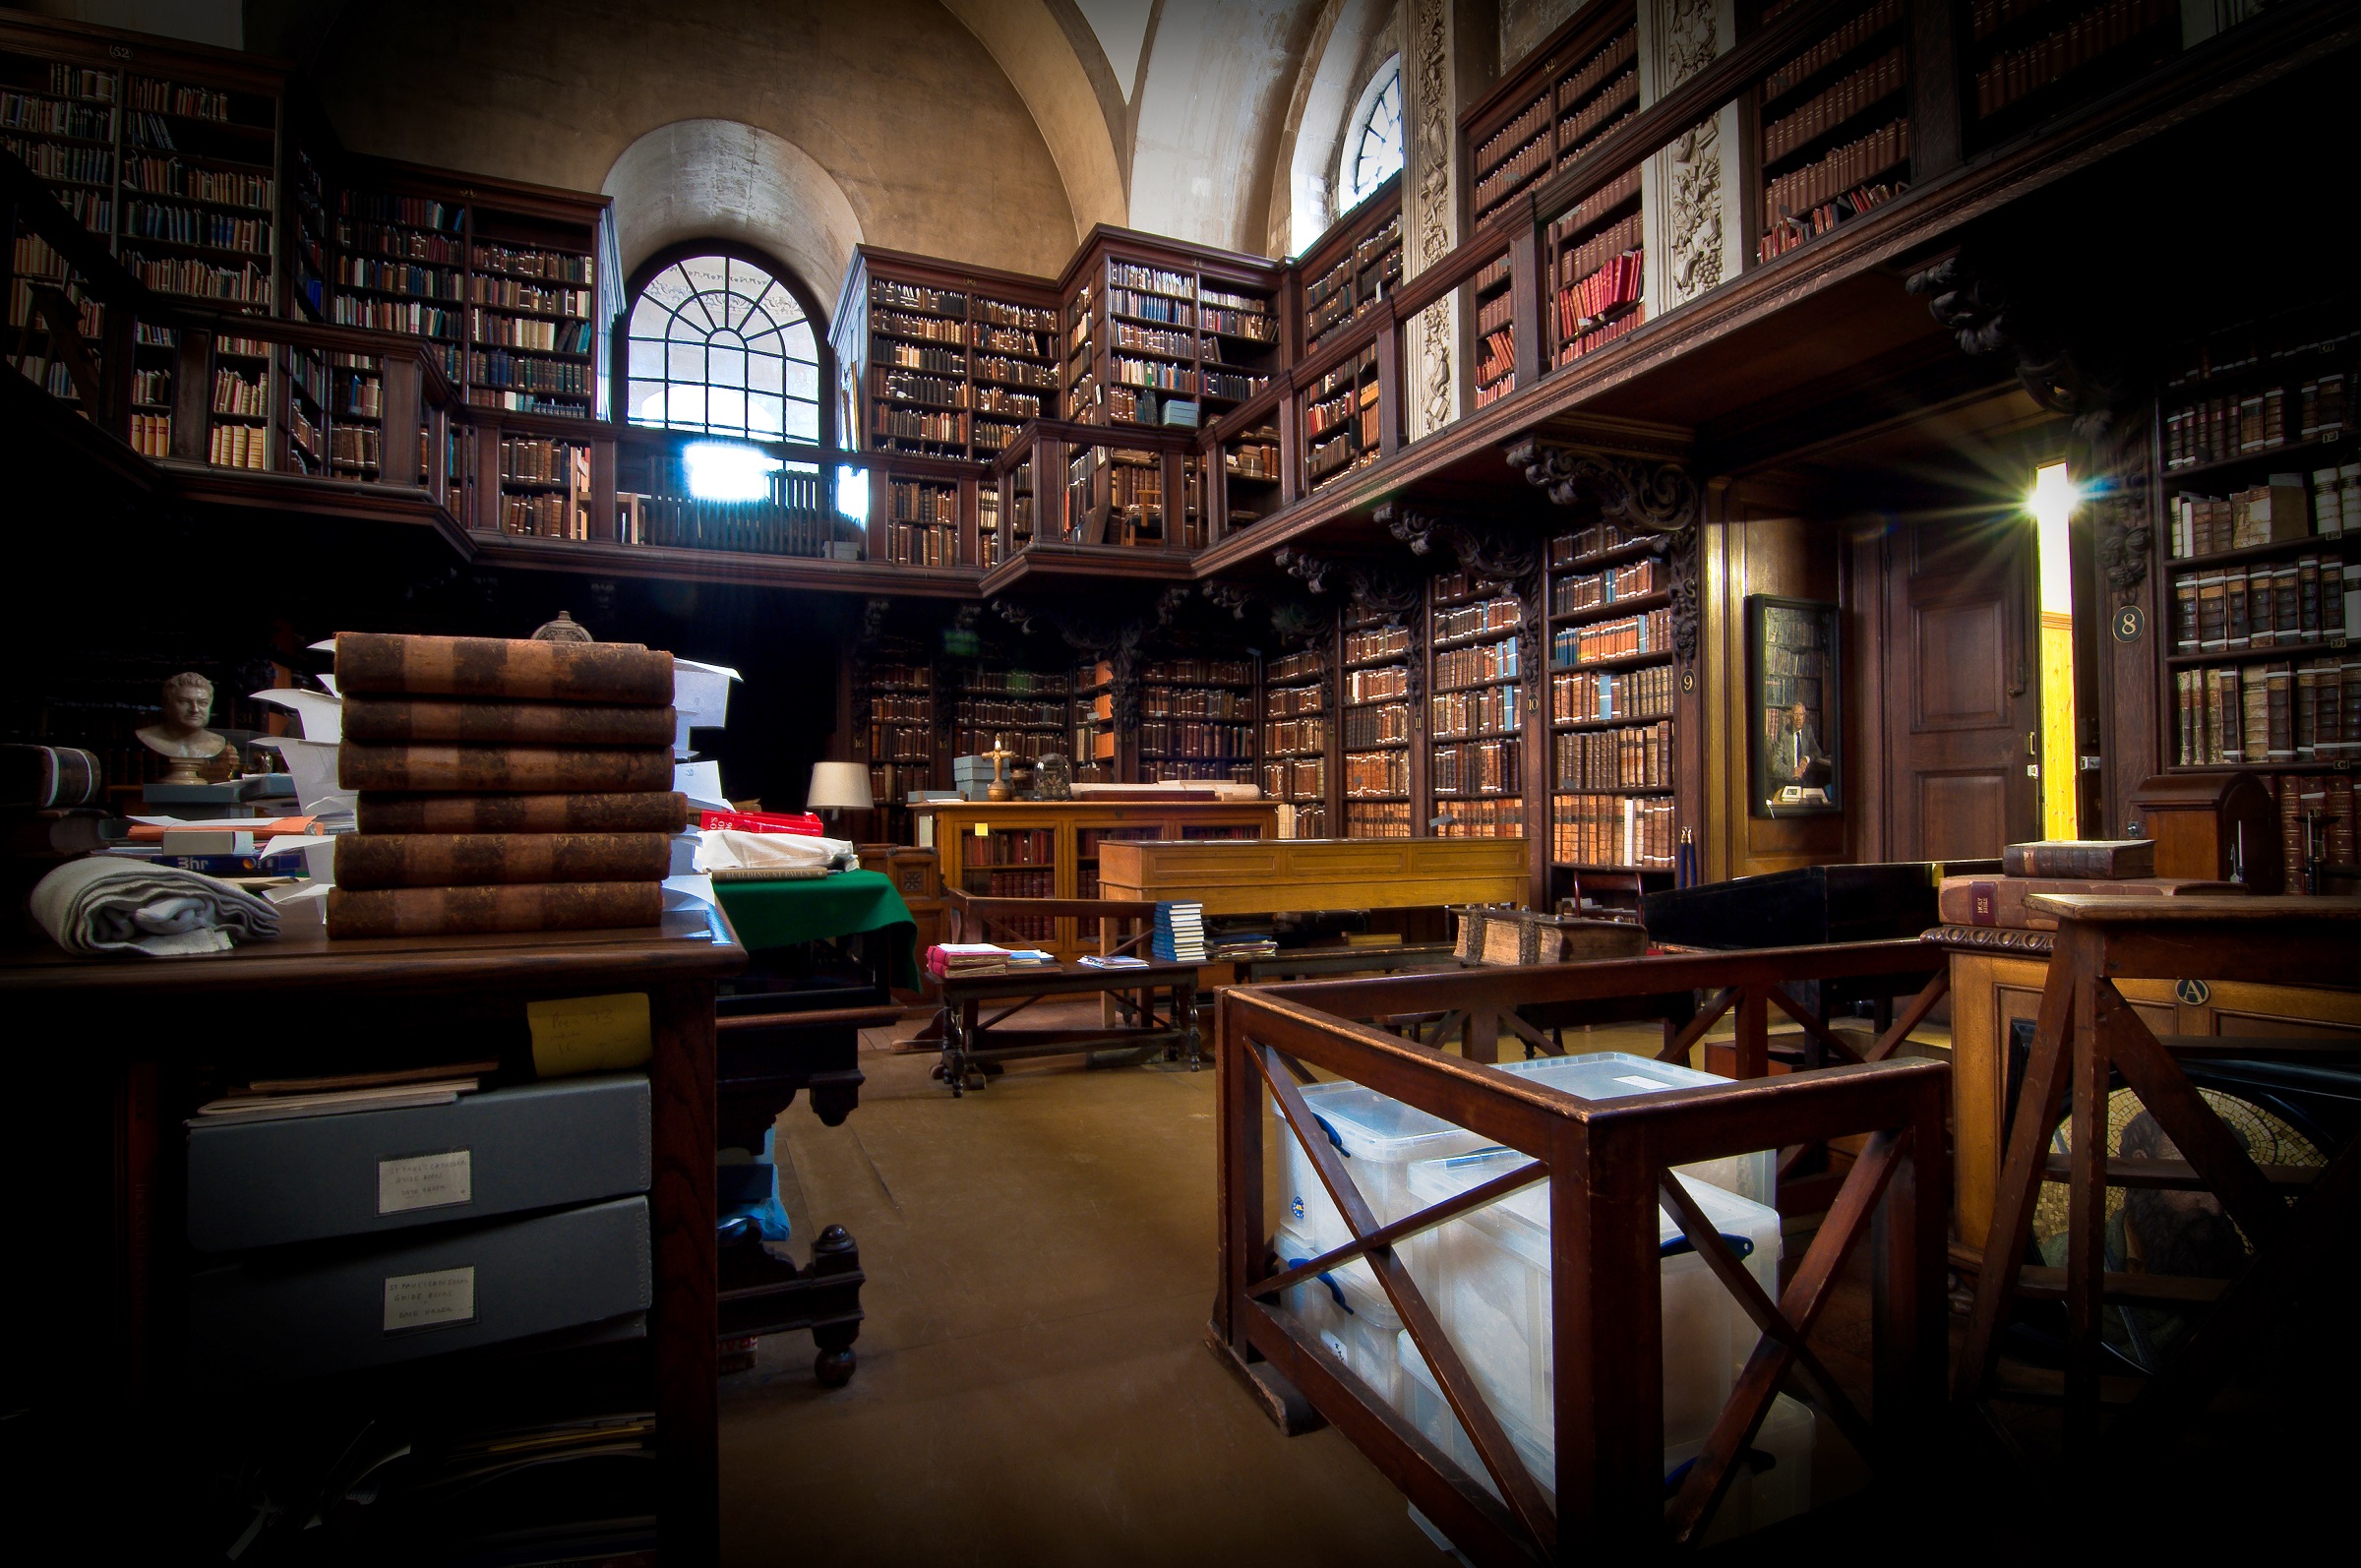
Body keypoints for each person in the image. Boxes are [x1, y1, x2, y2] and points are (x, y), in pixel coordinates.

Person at [136, 671, 230, 785]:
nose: (195, 710)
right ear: (167, 704)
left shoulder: (218, 742)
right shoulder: (148, 736)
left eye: (203, 703)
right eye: (184, 702)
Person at [1770, 700, 1830, 789]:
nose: (1798, 718)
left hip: (1806, 780)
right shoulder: (1783, 733)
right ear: (1791, 717)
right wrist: (1791, 772)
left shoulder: (1807, 730)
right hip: (1788, 781)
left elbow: (1817, 751)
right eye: (1796, 714)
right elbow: (1775, 764)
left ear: (1804, 717)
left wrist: (1806, 759)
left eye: (1801, 715)